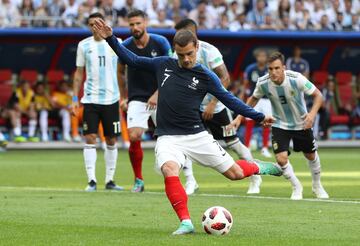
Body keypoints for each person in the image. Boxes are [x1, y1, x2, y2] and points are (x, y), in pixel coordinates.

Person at [93, 19, 282, 235]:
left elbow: (230, 100)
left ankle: (259, 167)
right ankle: (186, 222)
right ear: (175, 50)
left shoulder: (205, 75)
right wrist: (110, 38)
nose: (186, 59)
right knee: (169, 169)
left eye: (190, 54)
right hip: (168, 137)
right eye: (181, 54)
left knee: (235, 174)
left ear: (197, 48)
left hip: (196, 135)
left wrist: (258, 116)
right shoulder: (163, 64)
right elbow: (133, 60)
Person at [174, 18, 261, 195]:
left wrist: (213, 103)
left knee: (233, 143)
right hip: (192, 107)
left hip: (217, 108)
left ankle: (255, 177)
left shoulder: (209, 51)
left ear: (193, 33)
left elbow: (225, 78)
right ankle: (191, 181)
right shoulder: (177, 52)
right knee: (183, 142)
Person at [229, 51, 329, 200]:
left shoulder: (296, 79)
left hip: (302, 123)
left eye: (277, 68)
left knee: (310, 155)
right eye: (270, 69)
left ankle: (317, 185)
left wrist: (312, 115)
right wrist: (239, 117)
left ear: (283, 67)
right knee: (281, 159)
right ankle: (296, 186)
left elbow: (318, 95)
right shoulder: (263, 82)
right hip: (280, 124)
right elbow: (253, 99)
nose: (273, 72)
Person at [118, 10, 172, 193]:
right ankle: (139, 180)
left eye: (138, 23)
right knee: (133, 135)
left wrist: (158, 93)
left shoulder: (161, 42)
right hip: (137, 97)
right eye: (131, 24)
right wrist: (123, 96)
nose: (135, 27)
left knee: (173, 136)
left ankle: (188, 178)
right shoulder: (125, 45)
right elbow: (119, 71)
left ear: (146, 22)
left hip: (162, 95)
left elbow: (171, 70)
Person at [71, 12, 124, 192]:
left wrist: (125, 95)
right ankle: (92, 180)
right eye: (91, 24)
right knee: (90, 137)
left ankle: (110, 180)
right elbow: (78, 74)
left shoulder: (117, 43)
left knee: (111, 139)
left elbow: (123, 70)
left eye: (98, 23)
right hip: (91, 99)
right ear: (89, 26)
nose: (95, 26)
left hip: (112, 99)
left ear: (104, 24)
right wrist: (73, 98)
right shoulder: (84, 45)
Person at [240, 49, 272, 158]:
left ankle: (264, 148)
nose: (261, 58)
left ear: (266, 58)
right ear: (256, 57)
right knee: (249, 122)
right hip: (254, 98)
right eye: (259, 56)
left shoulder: (270, 69)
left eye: (263, 56)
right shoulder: (250, 68)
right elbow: (245, 85)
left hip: (267, 99)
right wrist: (242, 98)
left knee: (267, 123)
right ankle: (247, 147)